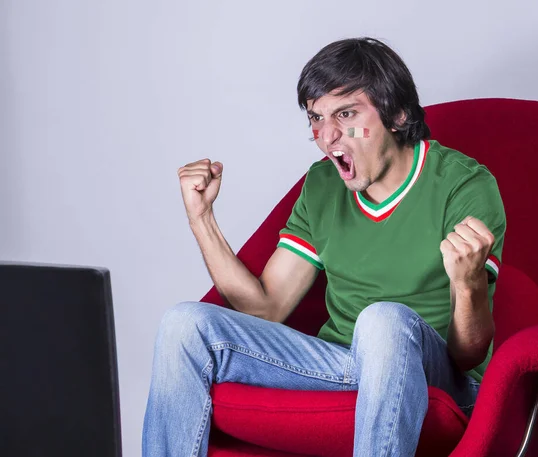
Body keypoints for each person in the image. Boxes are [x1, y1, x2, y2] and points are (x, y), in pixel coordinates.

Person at [142, 37, 506, 457]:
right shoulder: (322, 185)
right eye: (316, 118)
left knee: (382, 321)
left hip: (440, 376)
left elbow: (469, 355)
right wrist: (200, 218)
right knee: (182, 323)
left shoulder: (463, 185)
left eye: (346, 114)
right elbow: (265, 309)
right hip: (342, 365)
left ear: (398, 114)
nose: (326, 136)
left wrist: (468, 283)